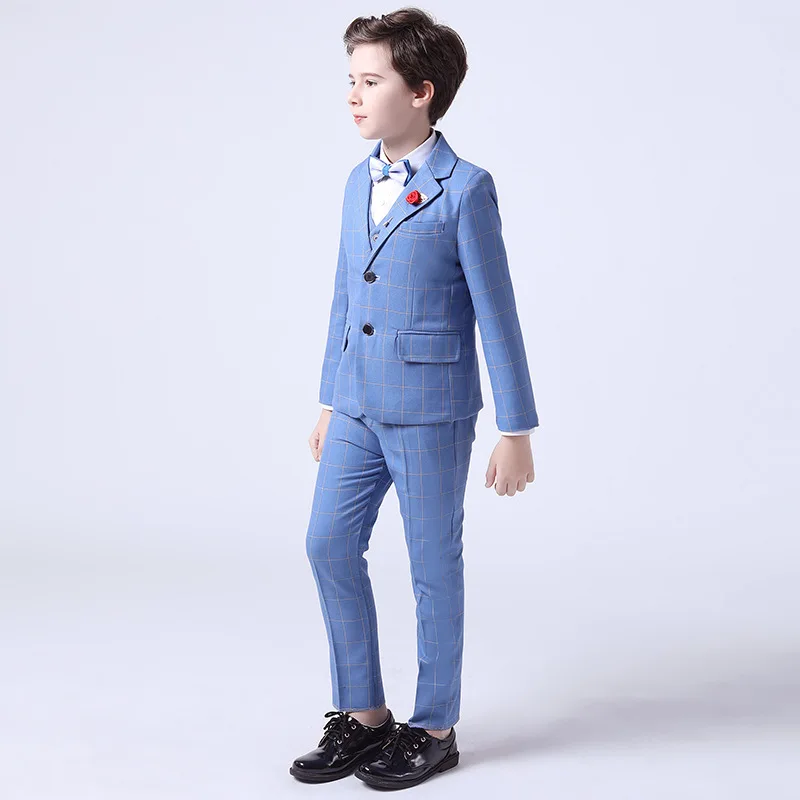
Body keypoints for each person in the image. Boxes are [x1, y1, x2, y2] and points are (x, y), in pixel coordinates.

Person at [289, 7, 540, 790]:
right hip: (357, 404)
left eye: (371, 81)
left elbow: (497, 313)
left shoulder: (466, 190)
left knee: (433, 566)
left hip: (433, 408)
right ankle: (364, 716)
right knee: (328, 543)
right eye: (351, 80)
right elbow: (344, 296)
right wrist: (329, 399)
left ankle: (434, 726)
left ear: (422, 91)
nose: (353, 96)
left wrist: (516, 428)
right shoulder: (354, 182)